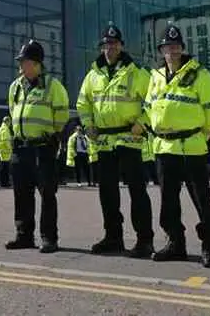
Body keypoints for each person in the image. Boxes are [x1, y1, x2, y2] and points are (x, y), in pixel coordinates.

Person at [145, 24, 210, 267]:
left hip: (191, 146)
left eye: (177, 46)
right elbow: (149, 107)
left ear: (183, 49)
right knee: (168, 201)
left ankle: (208, 246)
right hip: (164, 148)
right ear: (161, 51)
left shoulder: (200, 75)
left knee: (201, 200)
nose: (173, 51)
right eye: (168, 47)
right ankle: (175, 244)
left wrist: (201, 134)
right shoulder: (156, 77)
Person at [76, 23, 154, 258]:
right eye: (106, 45)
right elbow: (83, 102)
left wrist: (143, 122)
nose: (109, 48)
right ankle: (113, 237)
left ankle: (144, 240)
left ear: (121, 46)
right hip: (104, 140)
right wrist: (88, 124)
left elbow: (153, 99)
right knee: (107, 192)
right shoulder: (93, 75)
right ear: (102, 48)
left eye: (114, 44)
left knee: (137, 190)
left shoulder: (136, 72)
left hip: (129, 138)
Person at [4, 39, 69, 253]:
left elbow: (61, 116)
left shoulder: (53, 86)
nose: (21, 66)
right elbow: (13, 112)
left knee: (47, 194)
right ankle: (24, 235)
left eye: (25, 61)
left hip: (43, 147)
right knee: (21, 194)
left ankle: (49, 238)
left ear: (37, 63)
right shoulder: (15, 87)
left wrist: (52, 138)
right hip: (21, 147)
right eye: (21, 62)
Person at [0, 116, 13, 187]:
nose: (10, 124)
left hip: (1, 150)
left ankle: (3, 182)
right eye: (9, 122)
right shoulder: (5, 129)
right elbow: (6, 141)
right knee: (5, 168)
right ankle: (5, 183)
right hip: (5, 151)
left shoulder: (0, 129)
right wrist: (10, 149)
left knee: (3, 168)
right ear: (7, 121)